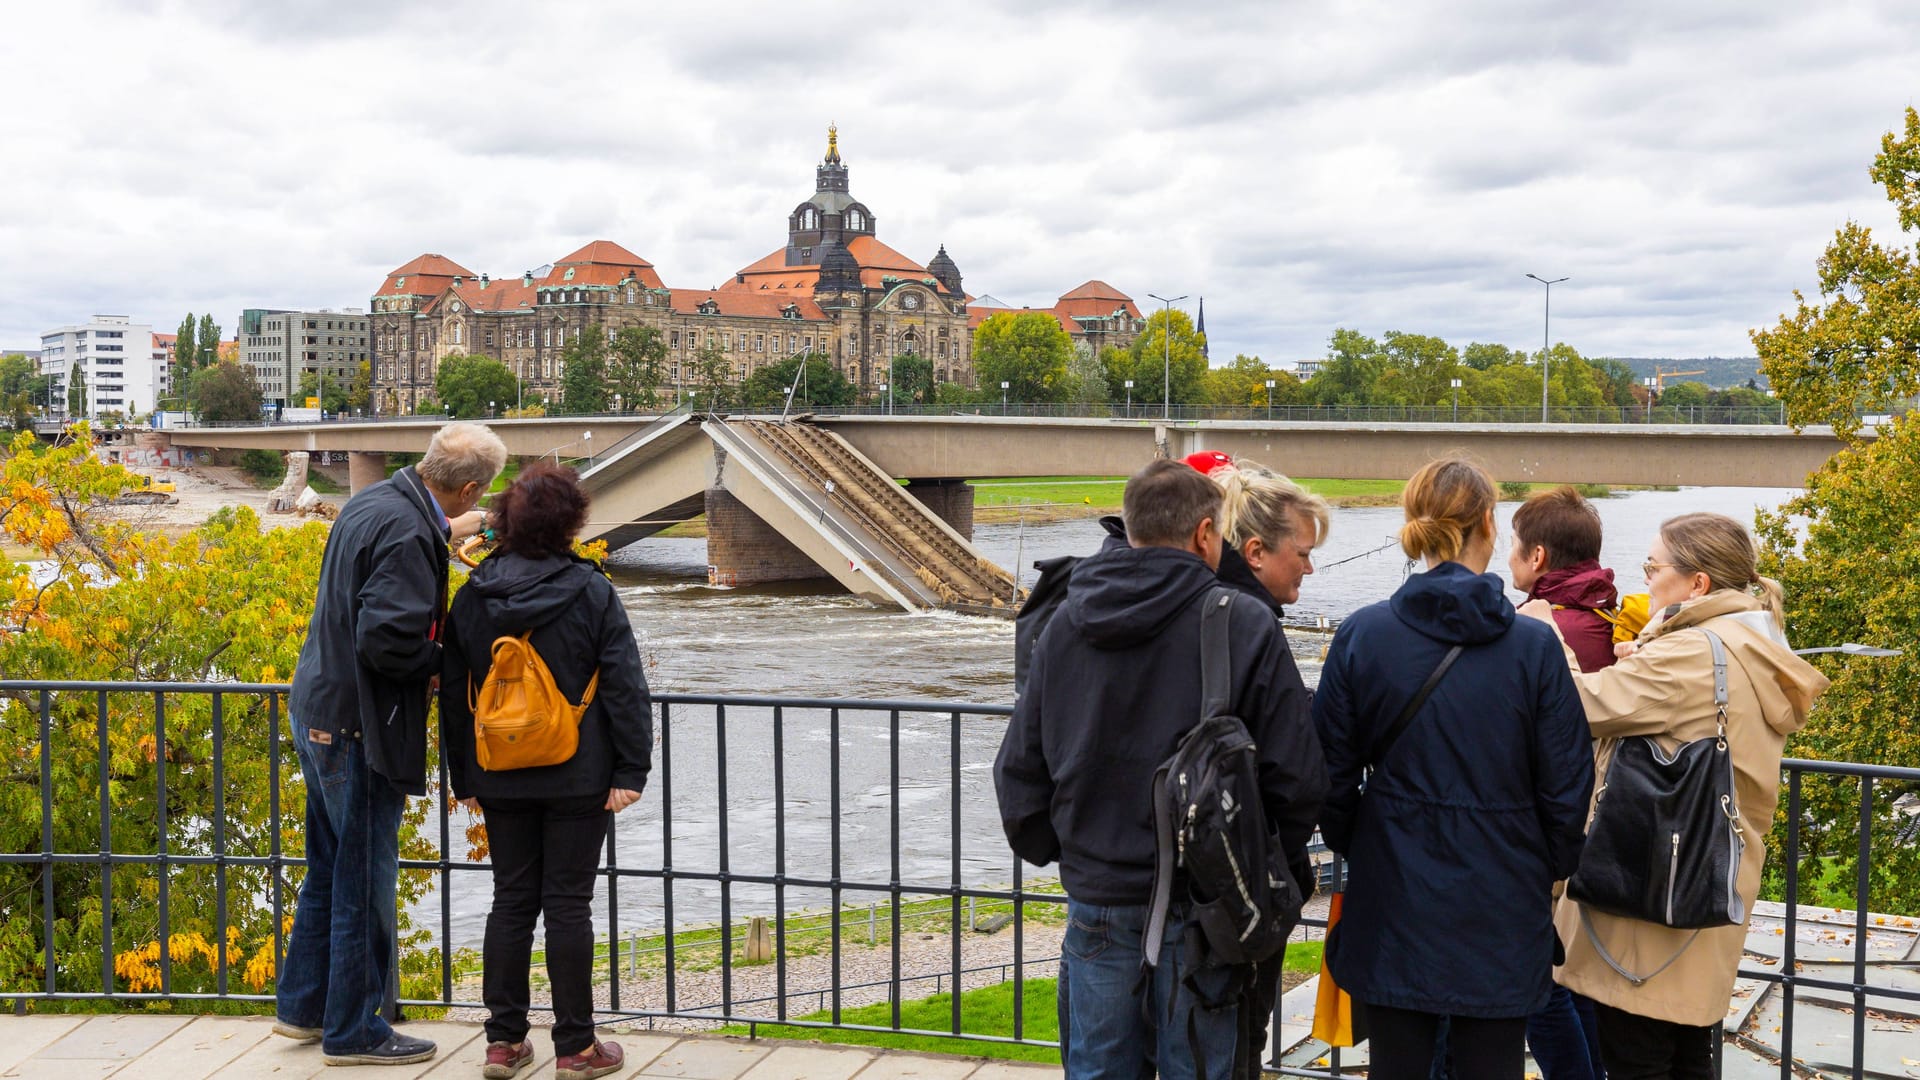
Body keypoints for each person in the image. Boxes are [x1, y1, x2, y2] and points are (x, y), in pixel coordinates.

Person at [995, 459, 1327, 1080]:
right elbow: (1299, 781)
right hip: (1207, 909)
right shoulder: (1241, 620)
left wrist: (1076, 855)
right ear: (1206, 535)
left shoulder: (1064, 619)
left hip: (1097, 900)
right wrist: (1256, 870)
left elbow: (1019, 770)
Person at [1519, 512, 1828, 1080]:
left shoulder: (1690, 655)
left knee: (1638, 1057)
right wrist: (1652, 649)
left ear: (1698, 584)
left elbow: (1569, 709)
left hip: (1650, 895)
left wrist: (1548, 635)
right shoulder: (1751, 640)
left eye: (1652, 567)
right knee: (1687, 1055)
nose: (1644, 580)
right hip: (1708, 881)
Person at [1312, 458, 1593, 1080]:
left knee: (1399, 1064)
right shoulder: (1533, 646)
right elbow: (1568, 784)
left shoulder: (1364, 635)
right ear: (1488, 525)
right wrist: (1541, 863)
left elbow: (1326, 774)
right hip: (1502, 895)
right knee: (1492, 1064)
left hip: (1393, 890)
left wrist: (1363, 835)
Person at [277, 422, 506, 1066]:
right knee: (364, 881)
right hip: (359, 724)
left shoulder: (375, 501)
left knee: (326, 868)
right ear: (465, 488)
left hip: (316, 704)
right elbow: (389, 641)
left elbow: (414, 535)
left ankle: (303, 1010)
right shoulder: (409, 531)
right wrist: (451, 661)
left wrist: (458, 529)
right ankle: (354, 1031)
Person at [441, 463, 654, 1080]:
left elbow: (457, 694)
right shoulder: (591, 590)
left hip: (499, 771)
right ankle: (576, 1049)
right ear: (572, 521)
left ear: (503, 519)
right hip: (579, 773)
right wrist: (631, 769)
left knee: (510, 902)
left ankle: (504, 1043)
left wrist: (466, 777)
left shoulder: (473, 596)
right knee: (568, 906)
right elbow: (624, 686)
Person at [1209, 461, 1330, 1075]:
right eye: (1303, 553)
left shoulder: (1198, 606)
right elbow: (1298, 778)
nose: (1310, 566)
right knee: (1235, 1047)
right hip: (1243, 886)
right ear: (1255, 551)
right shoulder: (1251, 625)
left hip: (1163, 884)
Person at [1508, 485, 1618, 1080]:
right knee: (1575, 977)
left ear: (1539, 558)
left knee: (1541, 983)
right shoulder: (1609, 615)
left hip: (1546, 829)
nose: (1509, 561)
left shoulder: (1538, 631)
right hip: (1600, 819)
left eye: (1515, 549)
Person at [1511, 486, 1620, 675]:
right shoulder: (1615, 620)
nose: (1509, 557)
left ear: (1537, 557)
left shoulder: (1528, 631)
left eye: (1513, 544)